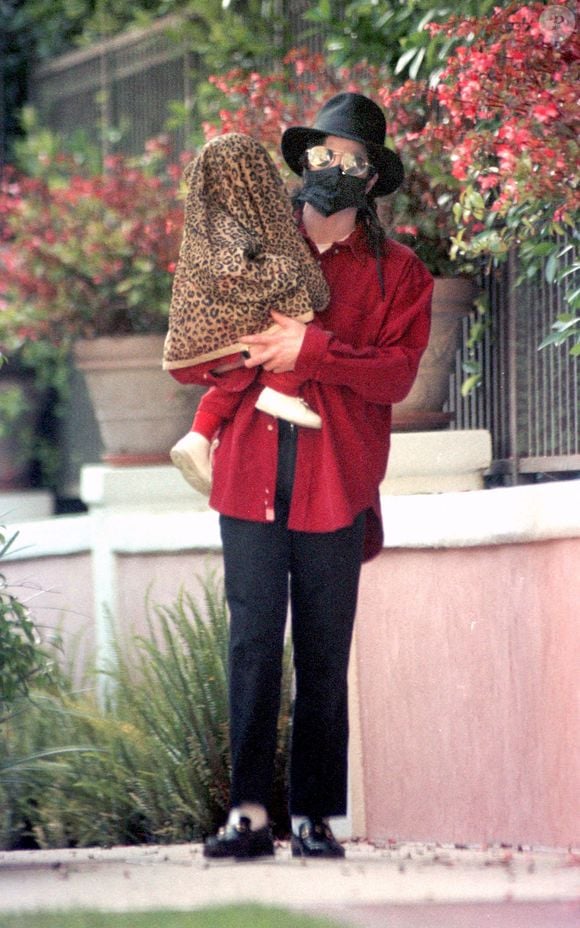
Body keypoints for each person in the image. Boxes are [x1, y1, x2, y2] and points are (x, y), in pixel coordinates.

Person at [171, 92, 433, 859]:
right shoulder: (252, 252)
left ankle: (316, 815)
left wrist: (308, 352)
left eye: (352, 157)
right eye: (325, 151)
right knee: (252, 641)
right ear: (305, 159)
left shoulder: (402, 276)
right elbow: (198, 355)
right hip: (249, 471)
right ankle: (249, 813)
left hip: (338, 481)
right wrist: (257, 347)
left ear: (373, 178)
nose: (335, 166)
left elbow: (395, 376)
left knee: (323, 648)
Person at [163, 132, 330, 495]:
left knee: (236, 379)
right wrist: (285, 272)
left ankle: (198, 437)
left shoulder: (210, 216)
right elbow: (231, 271)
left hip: (215, 339)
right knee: (295, 317)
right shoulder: (222, 220)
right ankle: (282, 389)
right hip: (221, 333)